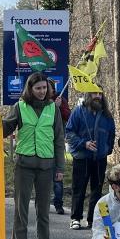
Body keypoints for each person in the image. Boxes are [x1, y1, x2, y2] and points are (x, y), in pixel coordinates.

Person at [2, 72, 65, 239]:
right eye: (38, 88)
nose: (41, 91)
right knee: (21, 210)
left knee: (44, 211)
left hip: (47, 167)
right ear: (30, 89)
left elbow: (59, 140)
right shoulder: (20, 107)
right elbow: (5, 129)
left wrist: (60, 167)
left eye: (44, 88)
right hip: (24, 166)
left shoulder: (53, 109)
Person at [65, 92, 115, 230]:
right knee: (79, 188)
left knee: (97, 189)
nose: (97, 96)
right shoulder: (78, 111)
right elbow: (68, 132)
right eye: (94, 93)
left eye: (100, 93)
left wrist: (107, 149)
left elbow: (111, 134)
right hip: (82, 157)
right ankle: (75, 218)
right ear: (88, 95)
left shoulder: (107, 115)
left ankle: (93, 219)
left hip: (100, 158)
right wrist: (83, 143)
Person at [50, 81, 71, 215]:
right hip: (42, 143)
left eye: (48, 88)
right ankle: (43, 203)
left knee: (58, 176)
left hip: (57, 141)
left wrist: (58, 107)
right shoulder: (39, 102)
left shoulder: (60, 100)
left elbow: (68, 116)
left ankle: (58, 203)